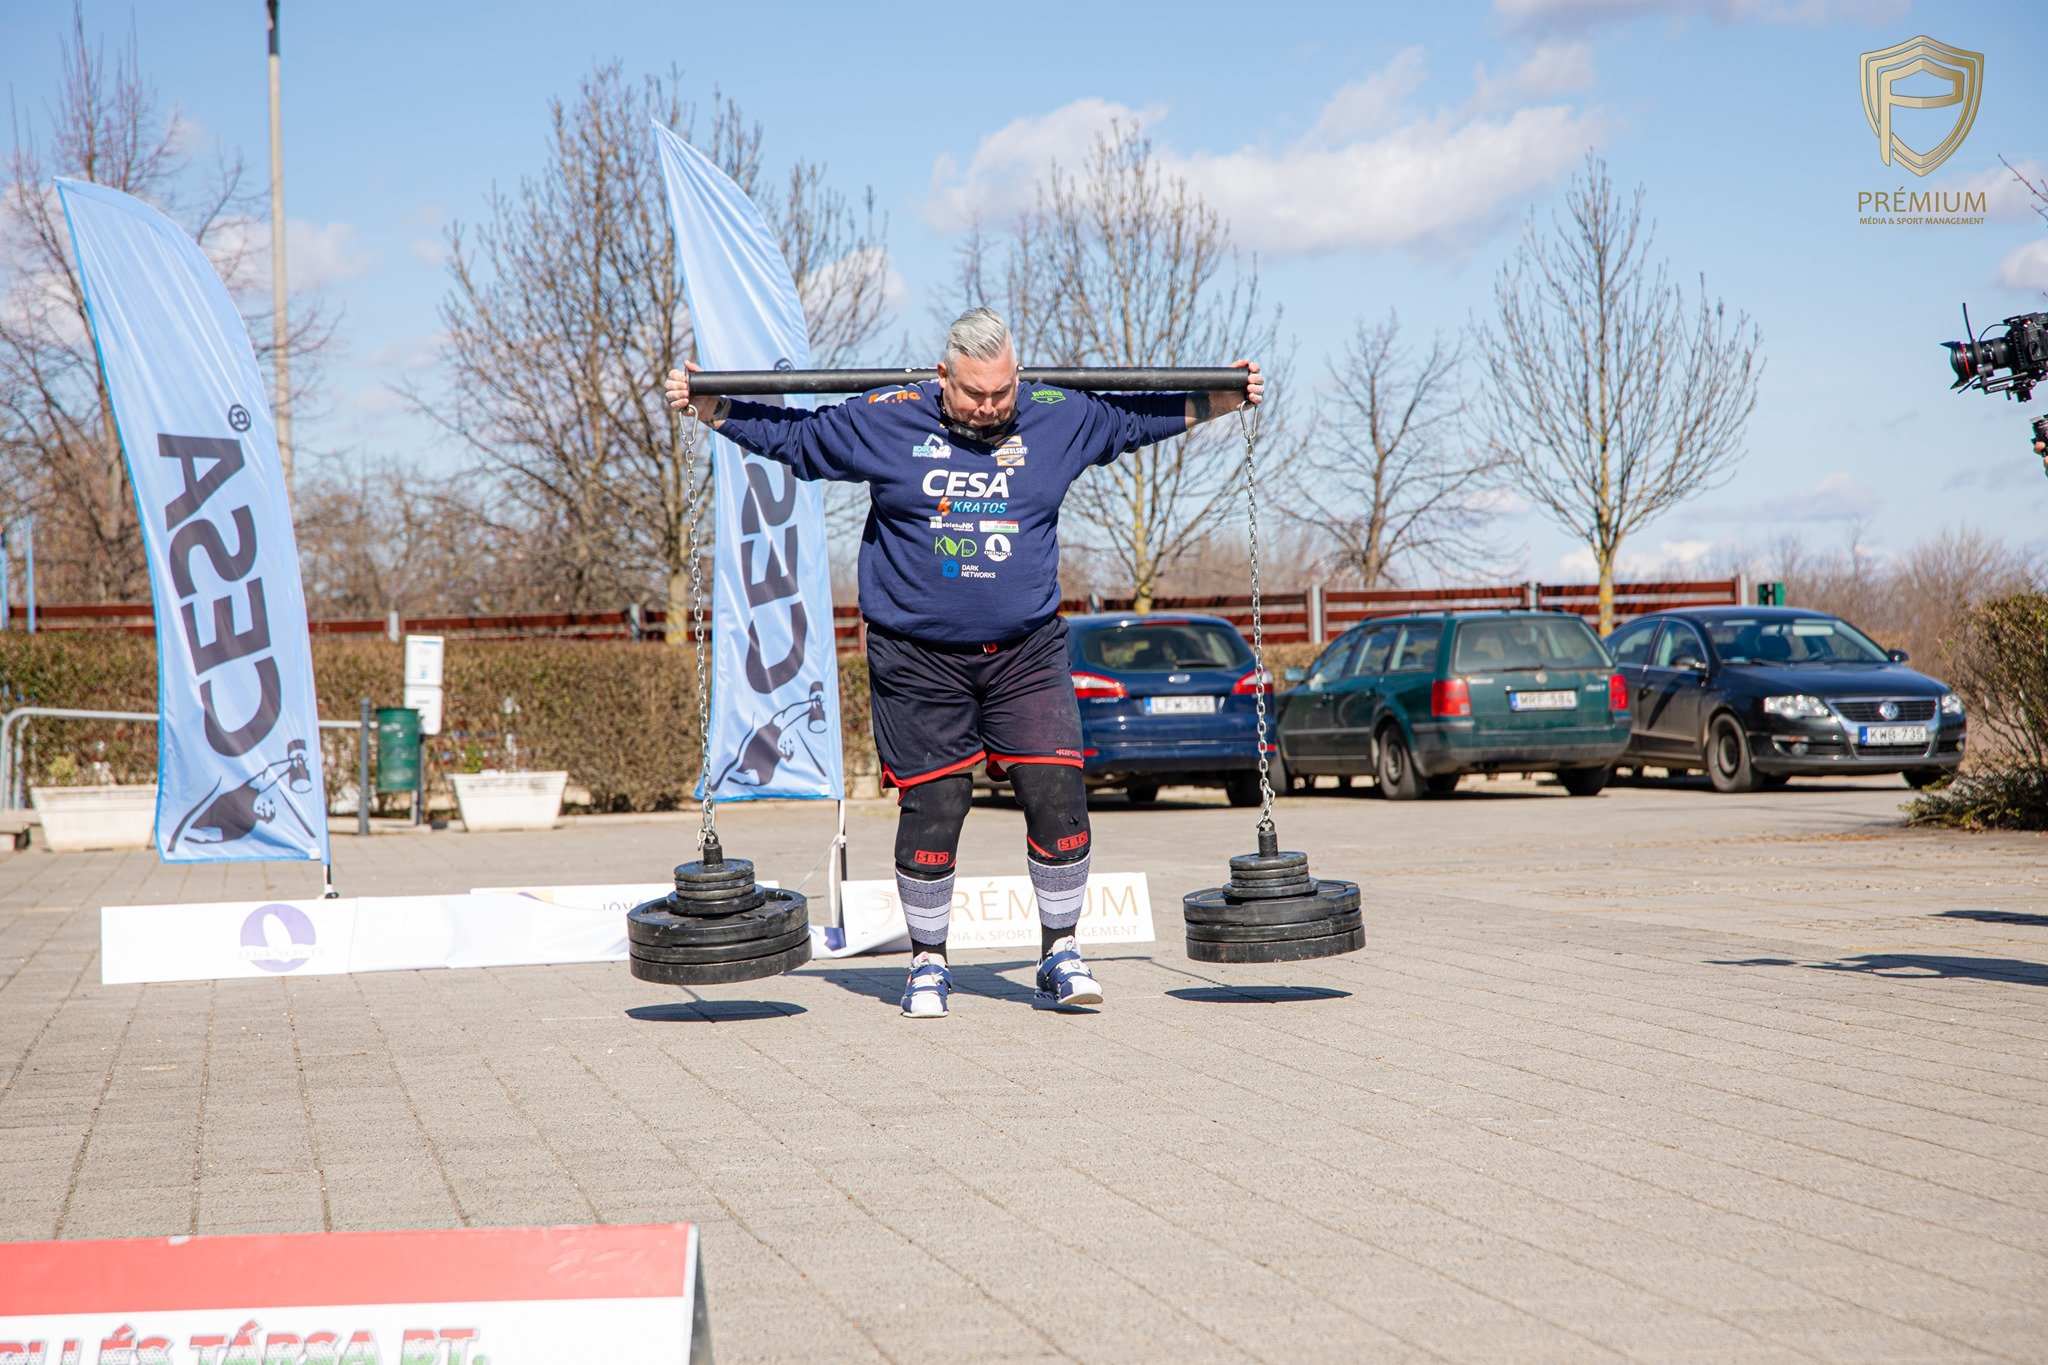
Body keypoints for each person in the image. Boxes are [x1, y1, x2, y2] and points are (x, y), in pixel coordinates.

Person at [665, 307, 1262, 1018]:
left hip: (1025, 651)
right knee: (937, 803)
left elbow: (1135, 419)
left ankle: (1061, 952)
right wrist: (714, 407)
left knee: (1057, 792)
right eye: (975, 393)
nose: (990, 406)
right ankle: (928, 961)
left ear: (1018, 376)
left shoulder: (1055, 416)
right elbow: (797, 440)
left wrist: (1220, 397)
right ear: (943, 375)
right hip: (916, 656)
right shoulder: (886, 418)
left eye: (1002, 391)